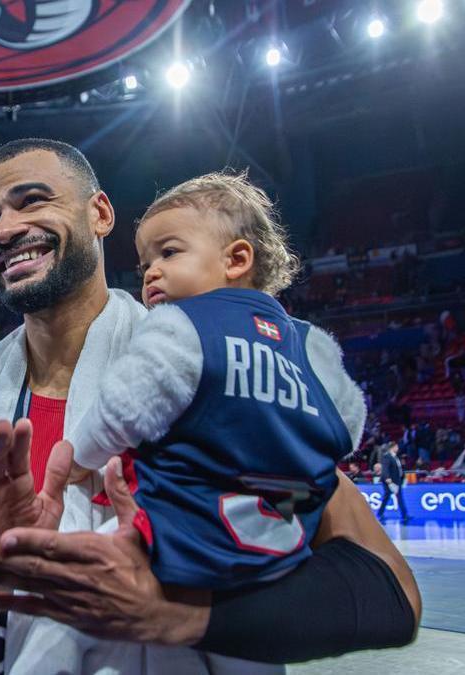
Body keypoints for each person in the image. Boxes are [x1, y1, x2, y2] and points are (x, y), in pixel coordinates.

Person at [0, 139, 419, 673]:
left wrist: (175, 614)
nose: (5, 229)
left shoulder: (215, 368)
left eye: (32, 201)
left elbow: (389, 592)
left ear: (100, 214)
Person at [65, 170, 365, 591]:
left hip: (183, 542)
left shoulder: (183, 326)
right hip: (278, 555)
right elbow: (348, 425)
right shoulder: (311, 342)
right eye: (145, 264)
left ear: (236, 260)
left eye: (168, 253)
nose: (150, 273)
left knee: (64, 594)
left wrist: (76, 459)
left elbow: (120, 410)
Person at [378, 442, 409, 524]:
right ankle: (380, 513)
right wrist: (388, 480)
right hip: (390, 481)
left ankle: (405, 515)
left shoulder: (395, 457)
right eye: (397, 447)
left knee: (399, 497)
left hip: (397, 480)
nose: (398, 448)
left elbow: (399, 469)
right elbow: (385, 469)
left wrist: (403, 477)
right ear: (392, 447)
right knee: (387, 497)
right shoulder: (387, 457)